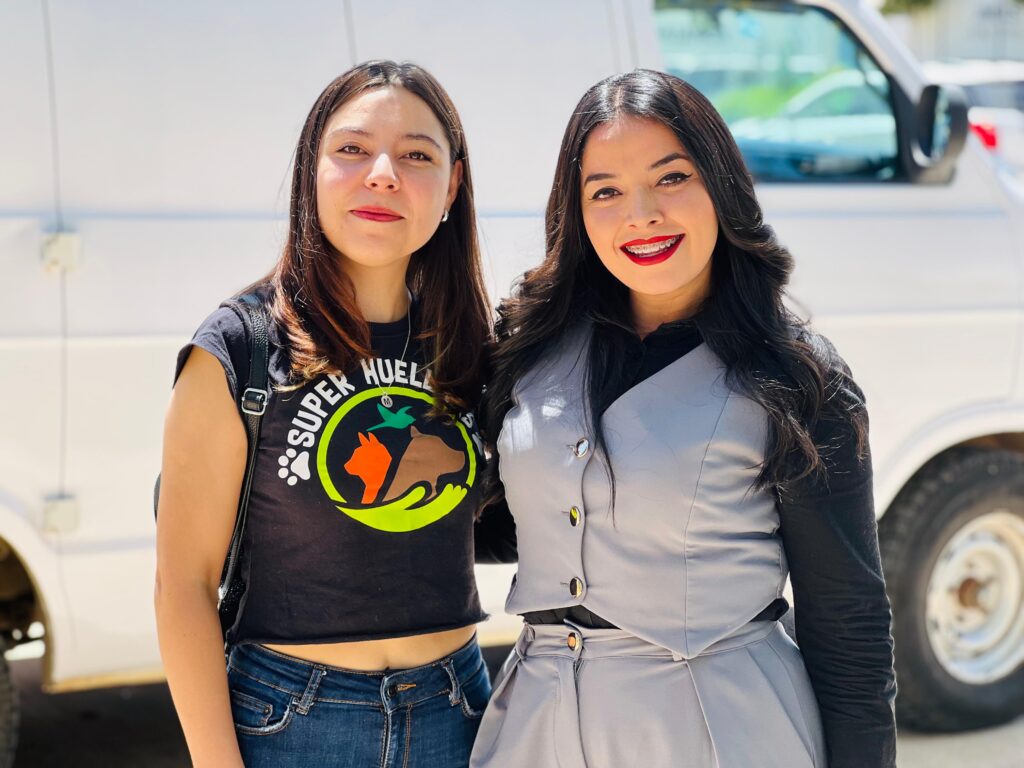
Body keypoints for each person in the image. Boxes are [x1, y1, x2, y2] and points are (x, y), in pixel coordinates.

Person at [473, 69, 897, 768]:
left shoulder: (798, 379)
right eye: (605, 191)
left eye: (671, 178)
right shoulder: (531, 351)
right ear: (576, 213)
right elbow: (516, 527)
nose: (641, 214)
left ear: (721, 186)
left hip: (720, 730)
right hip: (537, 727)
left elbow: (848, 620)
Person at [155, 60, 493, 768]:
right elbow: (183, 585)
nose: (383, 175)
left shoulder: (469, 345)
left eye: (416, 156)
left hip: (457, 710)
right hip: (293, 721)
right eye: (352, 149)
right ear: (312, 168)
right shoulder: (240, 346)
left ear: (452, 185)